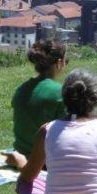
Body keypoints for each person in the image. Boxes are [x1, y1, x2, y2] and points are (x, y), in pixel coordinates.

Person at [7, 40, 69, 168]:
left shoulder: (21, 89)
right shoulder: (59, 92)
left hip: (21, 156)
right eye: (65, 61)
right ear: (59, 63)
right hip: (47, 161)